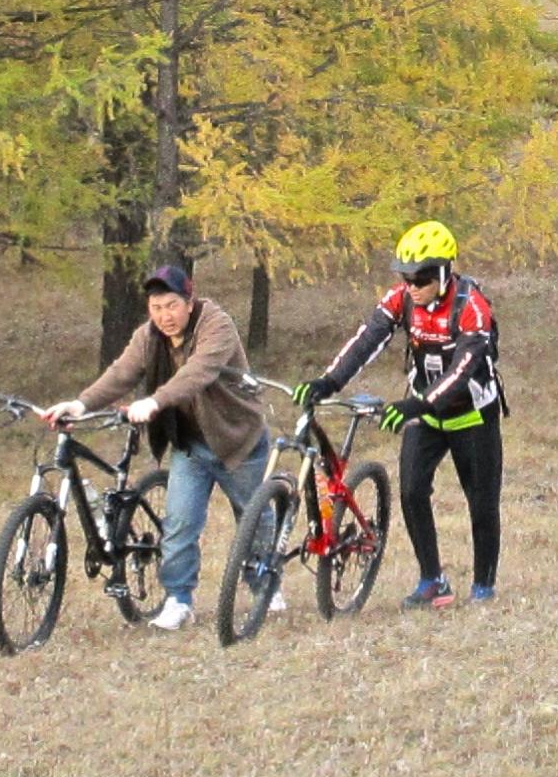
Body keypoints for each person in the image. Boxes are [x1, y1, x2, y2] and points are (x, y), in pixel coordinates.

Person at [45, 264, 273, 632]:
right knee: (179, 524)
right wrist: (81, 405)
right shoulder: (148, 337)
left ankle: (264, 581)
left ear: (189, 300)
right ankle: (179, 599)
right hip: (191, 443)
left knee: (254, 516)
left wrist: (155, 401)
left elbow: (199, 372)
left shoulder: (217, 325)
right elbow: (121, 373)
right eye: (156, 307)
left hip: (238, 439)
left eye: (171, 305)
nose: (164, 316)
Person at [294, 219, 501, 609]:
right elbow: (366, 341)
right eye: (405, 276)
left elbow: (463, 370)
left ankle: (483, 585)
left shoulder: (472, 308)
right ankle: (432, 579)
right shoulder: (401, 300)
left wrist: (417, 403)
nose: (412, 285)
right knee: (411, 490)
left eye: (420, 277)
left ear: (443, 272)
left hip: (472, 415)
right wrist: (328, 382)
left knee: (482, 502)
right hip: (425, 414)